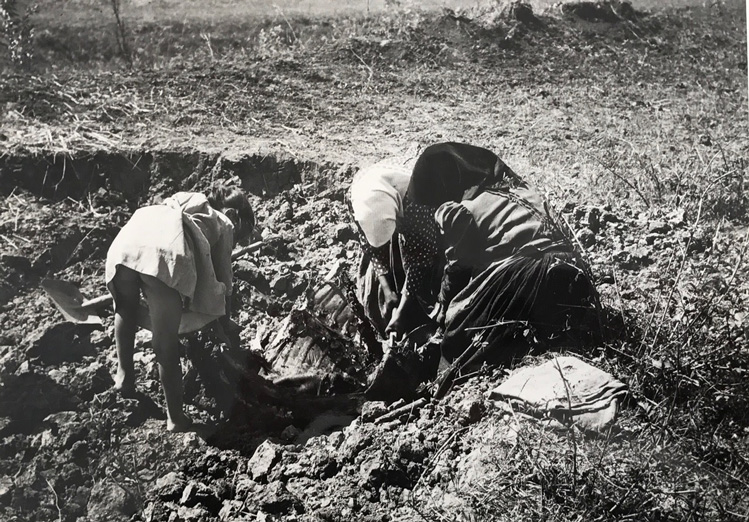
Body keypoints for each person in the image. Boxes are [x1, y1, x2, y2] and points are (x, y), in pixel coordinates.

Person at [390, 141, 600, 367]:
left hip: (530, 275)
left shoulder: (456, 211)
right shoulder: (522, 190)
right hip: (575, 275)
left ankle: (442, 388)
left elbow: (458, 270)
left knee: (458, 338)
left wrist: (442, 313)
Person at [105, 185, 254, 432]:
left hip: (128, 241)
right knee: (165, 343)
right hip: (162, 255)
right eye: (241, 237)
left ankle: (124, 377)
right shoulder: (225, 222)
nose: (237, 243)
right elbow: (223, 281)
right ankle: (175, 418)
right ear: (236, 216)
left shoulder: (183, 205)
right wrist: (224, 325)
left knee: (125, 308)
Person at [349, 154, 440, 338]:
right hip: (396, 206)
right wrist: (386, 289)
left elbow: (420, 258)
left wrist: (402, 311)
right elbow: (368, 244)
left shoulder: (418, 204)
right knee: (373, 286)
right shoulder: (358, 195)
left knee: (431, 276)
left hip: (431, 201)